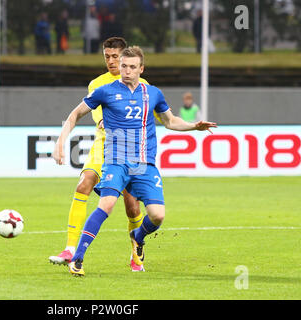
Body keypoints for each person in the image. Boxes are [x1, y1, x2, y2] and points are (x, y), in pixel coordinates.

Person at [53, 46, 217, 276]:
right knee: (107, 205)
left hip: (144, 164)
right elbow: (75, 114)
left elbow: (170, 121)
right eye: (123, 66)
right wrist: (60, 142)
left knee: (157, 215)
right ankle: (77, 257)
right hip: (116, 161)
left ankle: (137, 238)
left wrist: (194, 126)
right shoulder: (105, 91)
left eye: (132, 67)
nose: (126, 71)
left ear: (141, 69)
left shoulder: (153, 93)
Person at [49, 37, 158, 272]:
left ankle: (136, 252)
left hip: (131, 151)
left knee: (132, 206)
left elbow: (154, 115)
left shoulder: (144, 86)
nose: (111, 61)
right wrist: (64, 139)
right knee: (83, 184)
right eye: (107, 56)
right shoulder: (98, 84)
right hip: (103, 146)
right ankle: (70, 248)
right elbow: (95, 112)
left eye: (115, 57)